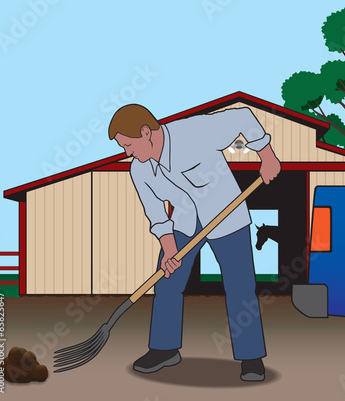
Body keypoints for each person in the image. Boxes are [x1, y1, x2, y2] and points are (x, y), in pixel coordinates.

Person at [108, 104, 281, 381]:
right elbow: (155, 212)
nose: (127, 152)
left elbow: (242, 117)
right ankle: (165, 349)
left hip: (226, 217)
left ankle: (251, 357)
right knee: (167, 281)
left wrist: (267, 155)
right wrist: (168, 249)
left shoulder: (194, 132)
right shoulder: (139, 170)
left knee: (240, 286)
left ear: (145, 132)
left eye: (128, 144)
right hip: (185, 223)